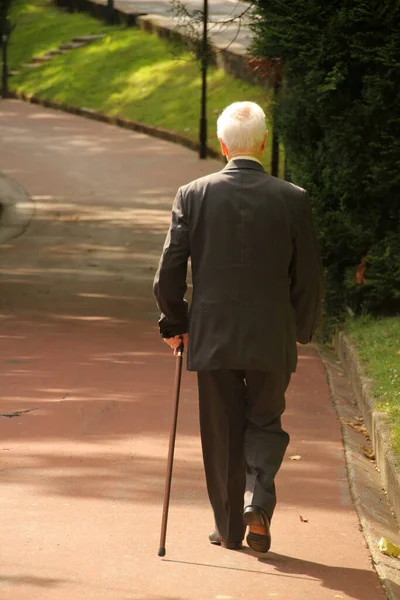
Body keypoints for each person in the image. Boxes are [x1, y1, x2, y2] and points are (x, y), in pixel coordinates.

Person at [153, 101, 323, 553]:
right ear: (264, 143)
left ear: (223, 145)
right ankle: (258, 504)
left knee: (221, 428)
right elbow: (308, 276)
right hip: (271, 332)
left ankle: (229, 528)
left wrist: (174, 321)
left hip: (212, 332)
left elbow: (170, 268)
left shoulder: (192, 194)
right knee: (265, 421)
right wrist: (300, 330)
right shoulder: (293, 198)